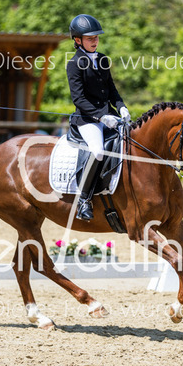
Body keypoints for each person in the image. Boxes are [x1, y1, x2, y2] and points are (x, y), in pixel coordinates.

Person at [66, 14, 131, 221]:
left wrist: (121, 107)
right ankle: (84, 200)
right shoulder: (74, 64)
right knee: (98, 151)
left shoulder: (102, 59)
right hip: (87, 119)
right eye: (90, 38)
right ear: (78, 40)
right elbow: (79, 99)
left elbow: (112, 91)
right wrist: (101, 117)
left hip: (110, 116)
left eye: (96, 37)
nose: (95, 41)